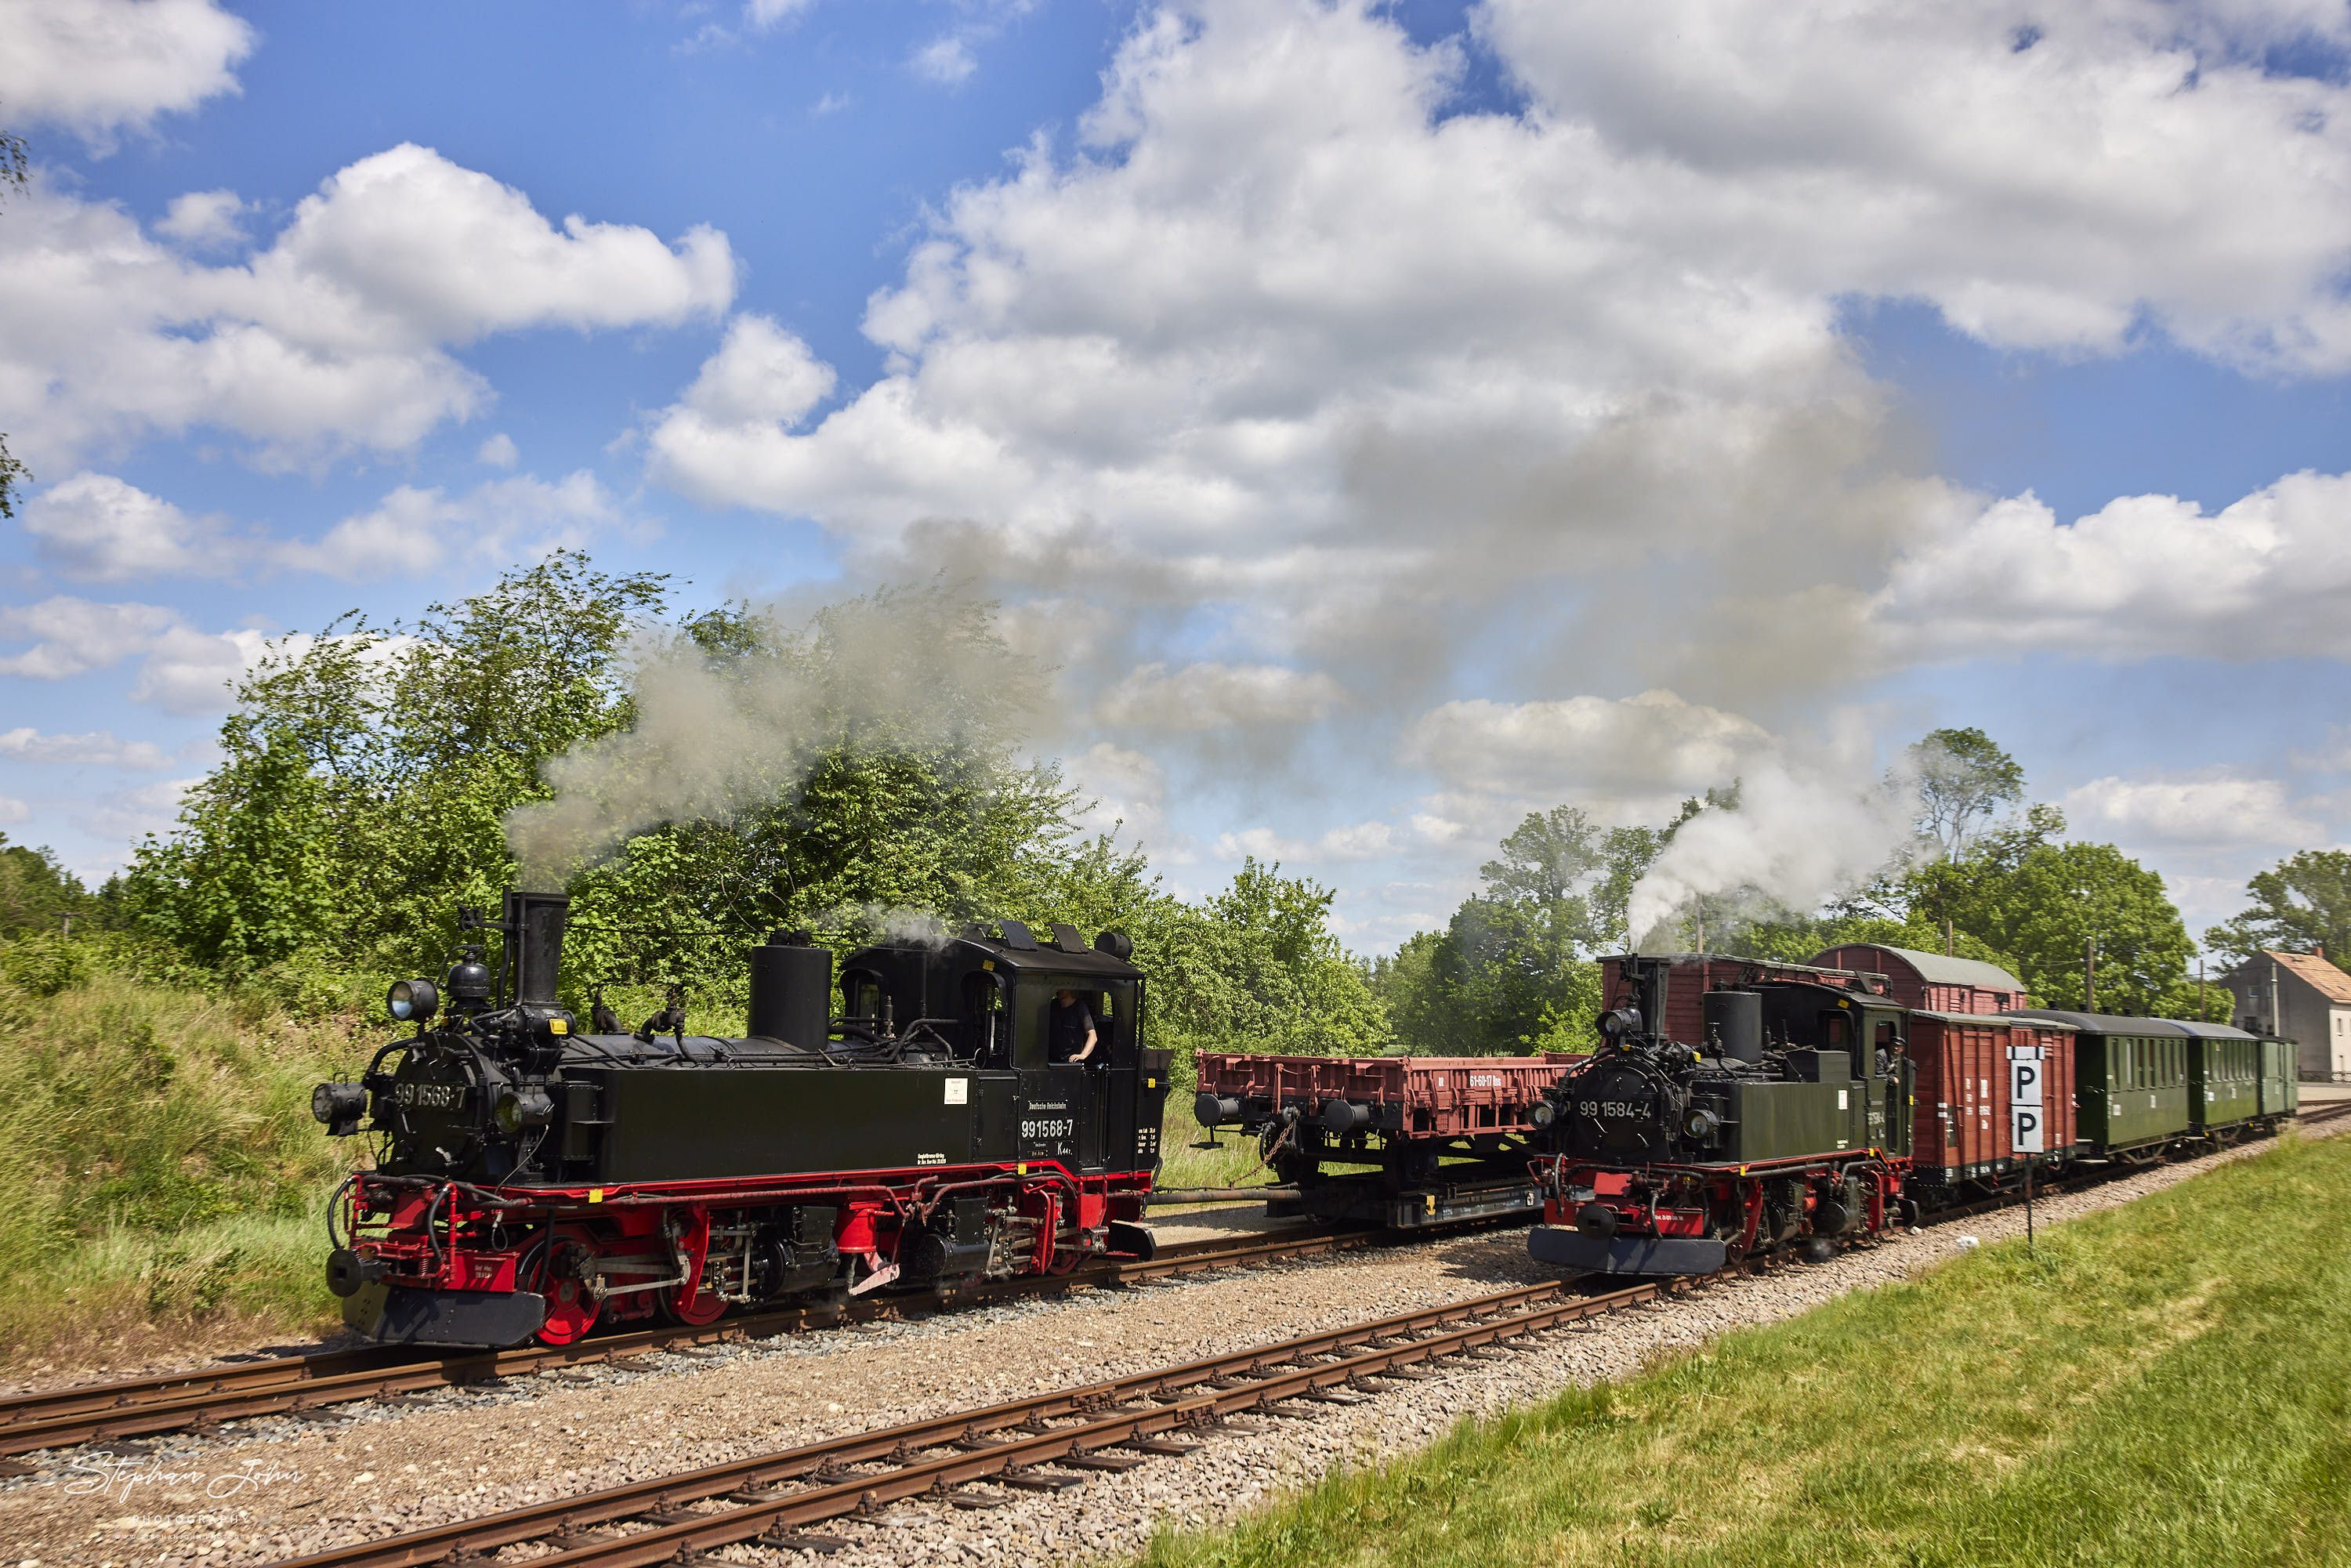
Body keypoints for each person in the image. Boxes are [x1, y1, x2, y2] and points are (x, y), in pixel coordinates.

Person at [1049, 988, 1097, 1065]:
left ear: (1070, 989)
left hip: (1071, 1063)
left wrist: (1083, 1055)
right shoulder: (1053, 1005)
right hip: (1051, 1061)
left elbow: (1093, 1036)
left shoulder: (1080, 1007)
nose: (1059, 990)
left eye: (1062, 987)